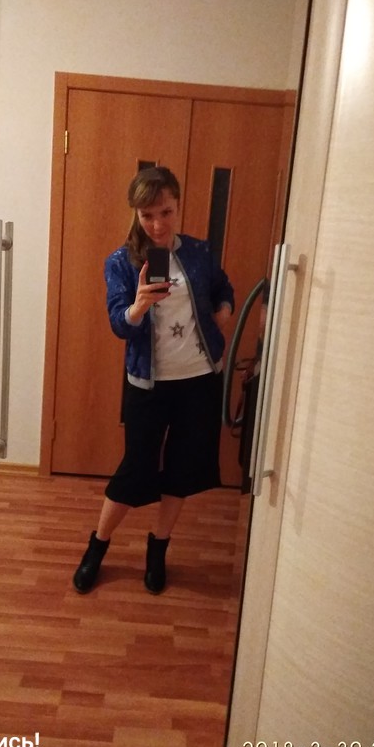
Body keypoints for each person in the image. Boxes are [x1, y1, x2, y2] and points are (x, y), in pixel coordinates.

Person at [72, 166, 234, 595]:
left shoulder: (198, 251)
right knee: (136, 468)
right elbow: (118, 324)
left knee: (182, 468)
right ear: (136, 213)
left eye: (166, 212)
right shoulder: (121, 262)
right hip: (148, 383)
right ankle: (98, 545)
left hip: (200, 379)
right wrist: (138, 306)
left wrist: (224, 309)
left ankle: (158, 549)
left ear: (178, 206)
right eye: (147, 216)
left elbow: (222, 287)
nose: (158, 225)